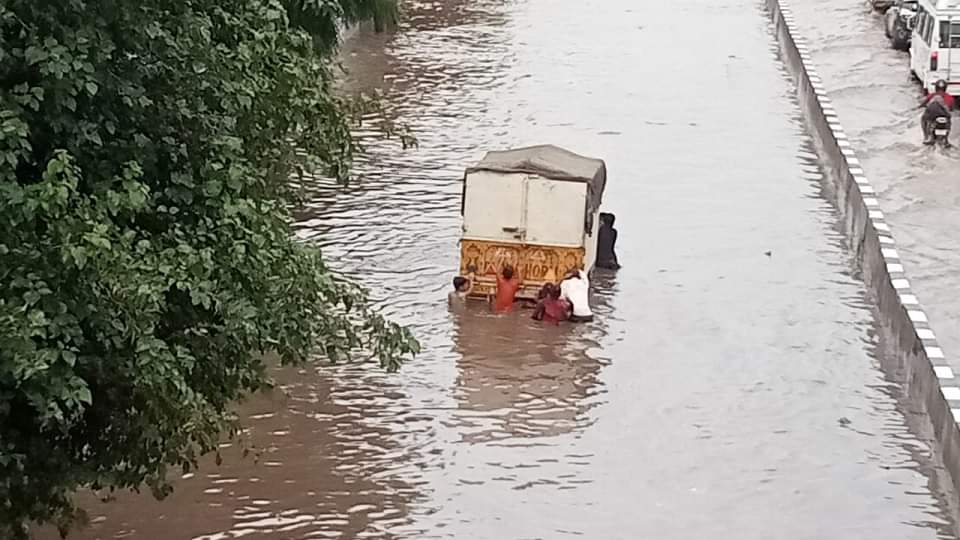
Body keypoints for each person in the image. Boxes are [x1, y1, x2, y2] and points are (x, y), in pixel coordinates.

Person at [921, 80, 954, 144]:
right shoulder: (950, 97)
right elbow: (952, 109)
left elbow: (923, 104)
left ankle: (926, 136)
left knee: (923, 119)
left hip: (932, 117)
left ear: (936, 88)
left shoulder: (931, 96)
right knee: (949, 122)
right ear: (945, 88)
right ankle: (946, 138)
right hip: (944, 116)